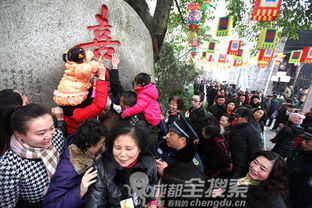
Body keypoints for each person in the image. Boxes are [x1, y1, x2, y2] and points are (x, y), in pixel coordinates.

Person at [0, 104, 65, 207]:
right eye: (41, 133)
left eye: (52, 128)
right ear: (19, 134)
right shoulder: (9, 166)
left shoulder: (56, 137)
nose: (49, 136)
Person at [85, 124, 157, 208]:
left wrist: (152, 202)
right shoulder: (102, 167)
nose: (122, 154)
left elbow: (152, 184)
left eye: (129, 149)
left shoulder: (148, 162)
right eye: (117, 148)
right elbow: (96, 203)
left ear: (140, 148)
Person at [43, 118, 108, 208]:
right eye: (102, 143)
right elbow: (50, 205)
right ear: (88, 144)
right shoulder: (67, 172)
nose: (104, 145)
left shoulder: (82, 146)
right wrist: (80, 191)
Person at [214, 151, 288, 208]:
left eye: (262, 168)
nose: (254, 168)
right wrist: (226, 189)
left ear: (272, 175)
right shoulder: (245, 173)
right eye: (255, 162)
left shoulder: (272, 201)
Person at [60, 58, 109, 136]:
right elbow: (100, 105)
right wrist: (101, 76)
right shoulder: (76, 114)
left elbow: (93, 89)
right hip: (81, 138)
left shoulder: (68, 90)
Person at [229, 107, 261, 178]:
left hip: (240, 165)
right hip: (231, 161)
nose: (235, 119)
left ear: (245, 118)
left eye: (238, 117)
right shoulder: (235, 127)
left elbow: (254, 151)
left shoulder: (253, 132)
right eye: (235, 117)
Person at [287, 131, 312, 208]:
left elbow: (306, 192)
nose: (303, 142)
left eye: (307, 141)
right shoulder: (299, 151)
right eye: (303, 139)